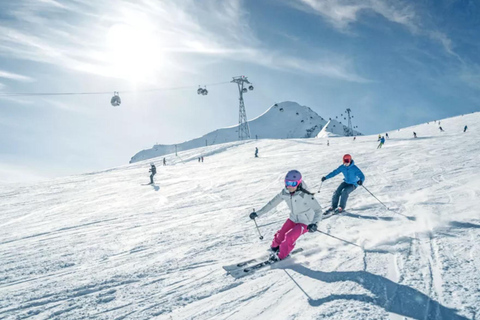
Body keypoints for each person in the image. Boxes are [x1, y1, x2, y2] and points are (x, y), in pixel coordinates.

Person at [249, 170, 322, 261]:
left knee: (289, 237)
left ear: (298, 183)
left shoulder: (305, 195)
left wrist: (315, 223)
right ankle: (275, 248)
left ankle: (280, 256)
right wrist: (258, 213)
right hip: (293, 218)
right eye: (288, 183)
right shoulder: (285, 192)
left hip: (305, 222)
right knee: (281, 234)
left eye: (293, 183)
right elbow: (272, 204)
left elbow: (318, 210)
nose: (290, 186)